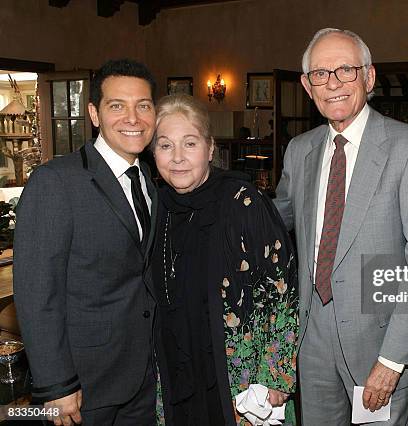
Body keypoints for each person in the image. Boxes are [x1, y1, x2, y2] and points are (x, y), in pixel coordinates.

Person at [274, 28, 408, 425]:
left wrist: (394, 357)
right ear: (306, 86)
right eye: (320, 74)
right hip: (310, 337)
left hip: (378, 342)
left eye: (345, 70)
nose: (332, 83)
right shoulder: (300, 150)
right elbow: (271, 224)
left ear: (369, 77)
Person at [13, 59, 158, 425]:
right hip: (83, 383)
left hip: (142, 376)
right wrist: (56, 384)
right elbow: (35, 293)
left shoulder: (148, 180)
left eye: (143, 105)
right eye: (117, 106)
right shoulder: (55, 182)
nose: (133, 117)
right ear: (94, 113)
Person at [151, 94, 298, 426]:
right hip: (174, 373)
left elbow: (282, 292)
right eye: (165, 146)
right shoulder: (152, 209)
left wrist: (275, 376)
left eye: (190, 143)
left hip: (237, 379)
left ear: (210, 148)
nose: (177, 158)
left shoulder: (245, 203)